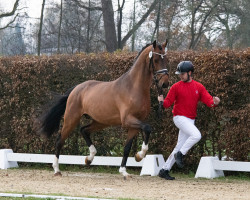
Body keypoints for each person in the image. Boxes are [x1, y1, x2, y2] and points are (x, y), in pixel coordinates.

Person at [157, 61, 220, 180]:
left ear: (190, 73)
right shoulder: (176, 86)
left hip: (190, 120)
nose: (180, 76)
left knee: (179, 146)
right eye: (179, 74)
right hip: (179, 117)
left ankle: (164, 170)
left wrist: (215, 102)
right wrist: (161, 101)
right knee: (196, 135)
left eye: (183, 73)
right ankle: (180, 154)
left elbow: (209, 101)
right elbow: (167, 104)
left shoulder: (199, 87)